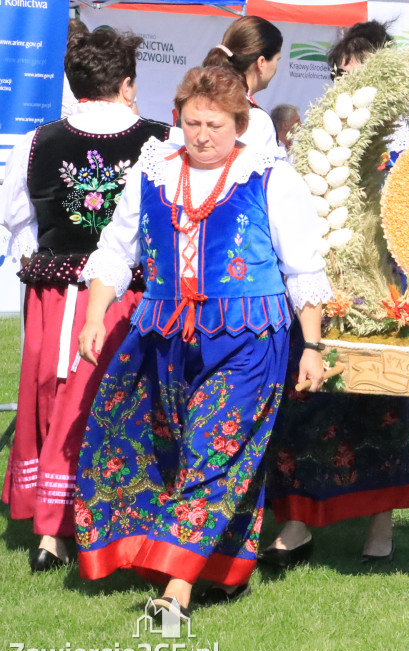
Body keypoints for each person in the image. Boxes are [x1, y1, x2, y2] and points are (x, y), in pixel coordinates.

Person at [73, 66, 331, 619]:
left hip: (248, 339)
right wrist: (95, 316)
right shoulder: (154, 170)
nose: (202, 134)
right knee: (139, 442)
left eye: (214, 124)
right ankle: (224, 568)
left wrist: (311, 346)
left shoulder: (269, 176)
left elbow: (303, 268)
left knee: (210, 451)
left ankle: (175, 593)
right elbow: (117, 250)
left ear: (239, 124)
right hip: (165, 337)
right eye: (192, 122)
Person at [0, 28, 170, 573]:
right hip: (126, 296)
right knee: (114, 402)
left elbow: (16, 223)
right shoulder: (161, 140)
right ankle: (104, 518)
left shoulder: (38, 142)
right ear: (126, 83)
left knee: (55, 398)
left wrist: (49, 254)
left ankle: (52, 533)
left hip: (54, 296)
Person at [261, 20, 409, 568]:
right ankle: (299, 520)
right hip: (325, 287)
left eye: (356, 74)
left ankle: (380, 524)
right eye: (337, 74)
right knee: (313, 399)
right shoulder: (316, 136)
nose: (344, 84)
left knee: (389, 407)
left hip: (389, 289)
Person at [202, 16, 284, 155]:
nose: (276, 66)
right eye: (277, 59)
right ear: (261, 63)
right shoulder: (255, 119)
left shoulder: (198, 102)